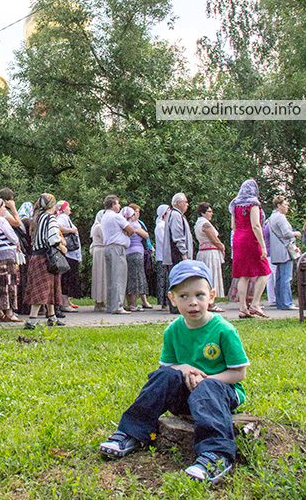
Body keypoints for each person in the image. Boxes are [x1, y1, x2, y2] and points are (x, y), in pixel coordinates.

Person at [99, 260, 249, 484]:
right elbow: (167, 368)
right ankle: (131, 434)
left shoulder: (224, 330)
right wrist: (183, 368)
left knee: (208, 388)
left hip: (222, 392)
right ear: (172, 299)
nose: (193, 303)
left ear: (211, 296)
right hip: (187, 396)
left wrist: (206, 379)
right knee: (162, 376)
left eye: (200, 295)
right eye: (184, 296)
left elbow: (238, 373)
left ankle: (217, 455)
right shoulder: (173, 331)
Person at [23, 193, 67, 329]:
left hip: (36, 257)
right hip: (46, 258)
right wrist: (63, 248)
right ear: (52, 205)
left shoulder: (37, 218)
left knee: (50, 287)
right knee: (42, 289)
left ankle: (52, 317)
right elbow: (53, 239)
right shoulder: (51, 219)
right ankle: (32, 320)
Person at [229, 179, 271, 319]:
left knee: (243, 275)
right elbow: (256, 225)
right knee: (264, 271)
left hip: (238, 238)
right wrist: (263, 245)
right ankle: (255, 304)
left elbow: (233, 226)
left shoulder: (235, 204)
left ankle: (243, 308)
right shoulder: (253, 203)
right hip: (250, 239)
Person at [101, 195, 134, 314]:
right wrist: (125, 233)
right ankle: (118, 306)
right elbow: (131, 229)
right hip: (117, 248)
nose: (119, 206)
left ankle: (111, 305)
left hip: (108, 247)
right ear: (113, 205)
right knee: (119, 277)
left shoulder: (104, 216)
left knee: (111, 278)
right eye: (118, 204)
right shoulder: (116, 217)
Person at [162, 193, 193, 313]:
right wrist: (184, 253)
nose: (187, 205)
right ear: (178, 203)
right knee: (178, 281)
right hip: (176, 255)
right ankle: (176, 307)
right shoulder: (175, 215)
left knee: (178, 281)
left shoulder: (177, 215)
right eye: (185, 202)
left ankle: (177, 306)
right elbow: (178, 236)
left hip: (176, 254)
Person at [268, 195, 301, 311]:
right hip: (285, 251)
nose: (287, 207)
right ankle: (287, 303)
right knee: (286, 278)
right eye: (285, 204)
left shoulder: (272, 217)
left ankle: (280, 302)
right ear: (279, 205)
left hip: (277, 251)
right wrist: (296, 233)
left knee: (279, 278)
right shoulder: (280, 217)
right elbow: (286, 233)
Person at [194, 203, 226, 312]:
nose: (211, 213)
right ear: (203, 212)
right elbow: (213, 238)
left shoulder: (198, 223)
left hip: (204, 252)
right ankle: (210, 303)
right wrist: (221, 246)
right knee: (211, 276)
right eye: (209, 211)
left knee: (207, 277)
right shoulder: (205, 224)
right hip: (209, 253)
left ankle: (207, 301)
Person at [56, 200, 82, 313]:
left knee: (69, 278)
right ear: (63, 208)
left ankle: (67, 301)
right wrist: (70, 230)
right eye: (68, 207)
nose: (70, 209)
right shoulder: (62, 217)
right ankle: (65, 303)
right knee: (68, 278)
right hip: (70, 254)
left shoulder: (65, 218)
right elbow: (57, 226)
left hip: (71, 254)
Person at [124, 205, 150, 311]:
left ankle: (129, 303)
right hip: (136, 253)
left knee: (129, 278)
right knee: (135, 278)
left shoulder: (123, 225)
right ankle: (134, 304)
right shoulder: (134, 225)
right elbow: (146, 235)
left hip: (127, 252)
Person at [90, 210, 106, 312]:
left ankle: (101, 301)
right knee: (100, 277)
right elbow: (106, 238)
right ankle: (99, 302)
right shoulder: (99, 227)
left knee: (102, 277)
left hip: (100, 252)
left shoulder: (98, 227)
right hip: (100, 252)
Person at [154, 204, 170, 307]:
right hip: (162, 256)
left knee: (166, 279)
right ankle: (163, 301)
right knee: (162, 280)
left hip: (166, 256)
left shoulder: (166, 224)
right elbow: (163, 240)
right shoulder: (160, 226)